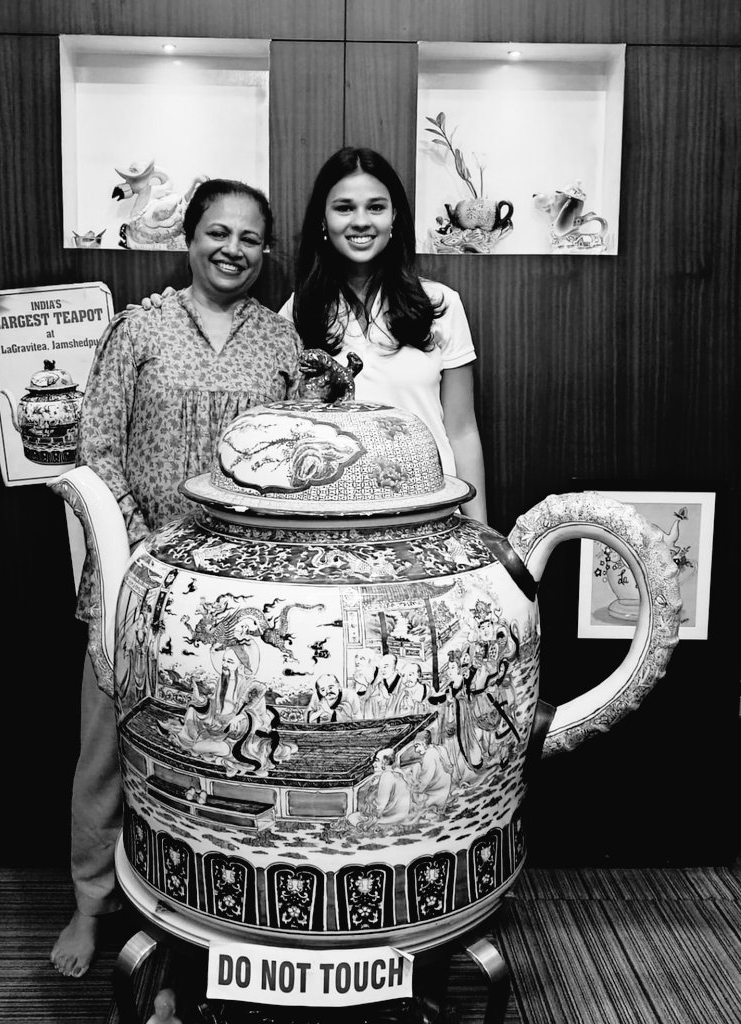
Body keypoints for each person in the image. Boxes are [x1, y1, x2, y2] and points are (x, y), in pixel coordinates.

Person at [50, 179, 304, 978]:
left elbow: (301, 463)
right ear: (189, 238)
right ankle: (89, 902)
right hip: (136, 579)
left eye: (250, 239)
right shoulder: (139, 327)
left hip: (242, 597)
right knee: (106, 748)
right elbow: (98, 448)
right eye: (217, 233)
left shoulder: (282, 344)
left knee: (217, 758)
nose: (233, 250)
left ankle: (207, 923)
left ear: (266, 253)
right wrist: (145, 551)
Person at [280, 146, 486, 522]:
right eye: (344, 208)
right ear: (323, 222)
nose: (361, 221)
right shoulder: (297, 311)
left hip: (428, 513)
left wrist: (481, 530)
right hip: (332, 515)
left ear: (394, 218)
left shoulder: (441, 303)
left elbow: (462, 430)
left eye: (376, 207)